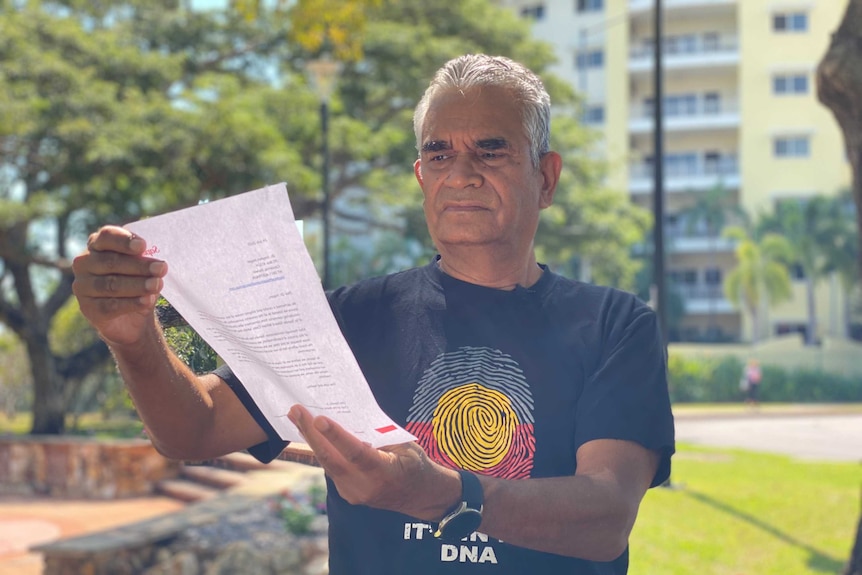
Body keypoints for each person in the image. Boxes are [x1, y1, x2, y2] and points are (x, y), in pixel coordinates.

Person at [72, 54, 675, 574]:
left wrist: (442, 495)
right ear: (421, 177)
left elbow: (606, 516)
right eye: (438, 155)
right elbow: (193, 430)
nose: (461, 173)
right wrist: (133, 338)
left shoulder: (613, 325)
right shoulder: (351, 318)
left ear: (546, 176)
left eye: (490, 151)